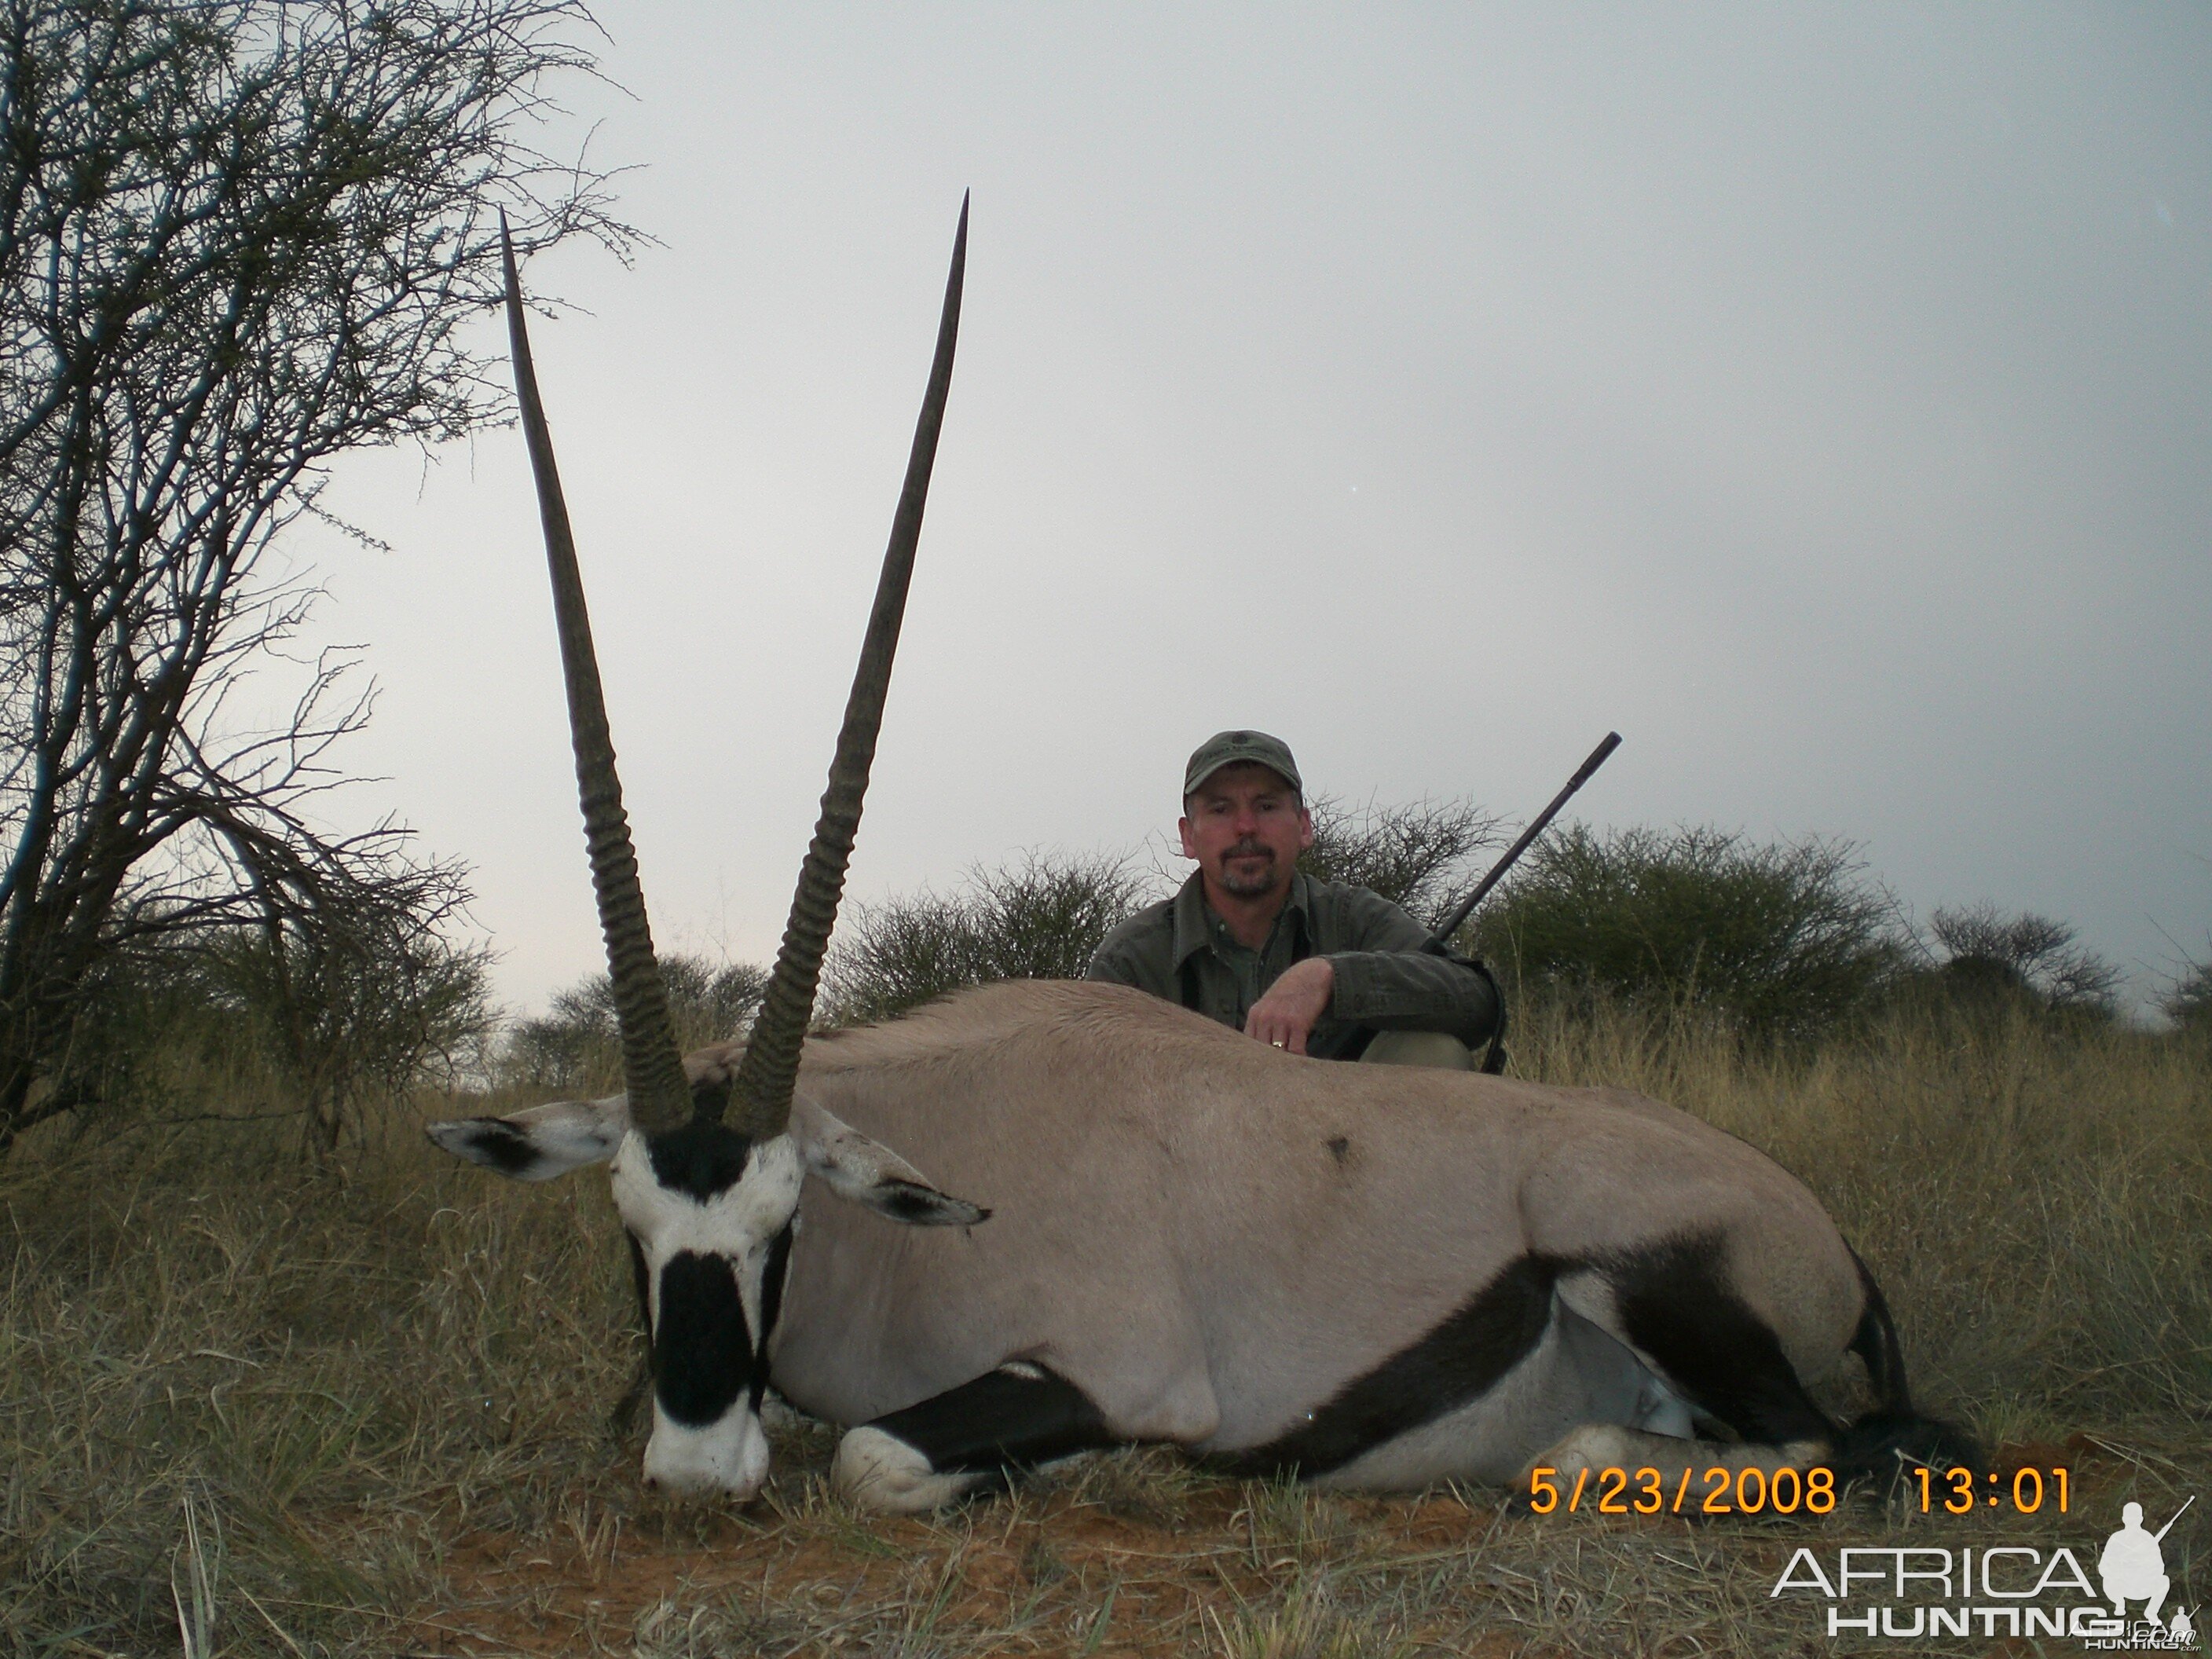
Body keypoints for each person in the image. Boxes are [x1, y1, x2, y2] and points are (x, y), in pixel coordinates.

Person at [1086, 730, 1503, 1069]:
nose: (1246, 827)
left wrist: (1329, 980)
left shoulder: (1354, 917)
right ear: (1188, 836)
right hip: (1186, 1160)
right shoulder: (1131, 958)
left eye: (1266, 806)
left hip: (1346, 1157)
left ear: (1304, 826)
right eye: (1220, 810)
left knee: (1433, 1053)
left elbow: (1478, 1001)